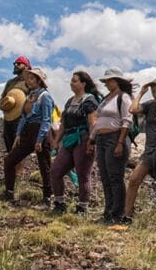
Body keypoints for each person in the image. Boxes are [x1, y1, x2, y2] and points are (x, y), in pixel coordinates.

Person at [121, 78, 156, 227]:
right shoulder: (150, 105)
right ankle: (127, 215)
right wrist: (141, 93)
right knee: (134, 179)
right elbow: (132, 109)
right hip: (149, 150)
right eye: (153, 91)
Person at [50, 71, 101, 215]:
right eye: (71, 81)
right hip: (69, 139)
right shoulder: (69, 101)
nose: (72, 83)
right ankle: (59, 203)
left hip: (83, 138)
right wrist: (56, 141)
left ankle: (82, 207)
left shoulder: (89, 100)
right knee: (56, 171)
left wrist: (92, 141)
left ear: (83, 83)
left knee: (82, 174)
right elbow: (63, 124)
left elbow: (93, 122)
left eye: (75, 81)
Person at [1, 68, 55, 204]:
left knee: (45, 166)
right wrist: (18, 134)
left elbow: (46, 119)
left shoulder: (45, 96)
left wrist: (40, 139)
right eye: (28, 78)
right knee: (10, 160)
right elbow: (23, 117)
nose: (28, 81)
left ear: (39, 80)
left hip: (41, 133)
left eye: (31, 78)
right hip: (27, 132)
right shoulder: (30, 96)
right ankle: (9, 193)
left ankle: (48, 198)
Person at [92, 67, 134, 224]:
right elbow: (98, 121)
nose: (107, 83)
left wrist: (120, 142)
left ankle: (117, 212)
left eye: (110, 80)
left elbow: (127, 120)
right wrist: (92, 139)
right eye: (106, 81)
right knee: (105, 176)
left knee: (115, 176)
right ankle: (108, 210)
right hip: (101, 138)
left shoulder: (123, 98)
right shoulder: (106, 99)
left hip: (115, 137)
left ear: (117, 81)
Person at [0, 56, 31, 180]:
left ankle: (18, 175)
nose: (16, 65)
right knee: (9, 143)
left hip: (23, 118)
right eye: (15, 63)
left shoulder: (30, 81)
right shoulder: (10, 83)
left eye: (19, 63)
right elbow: (3, 97)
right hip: (9, 117)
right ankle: (11, 174)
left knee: (19, 146)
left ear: (26, 66)